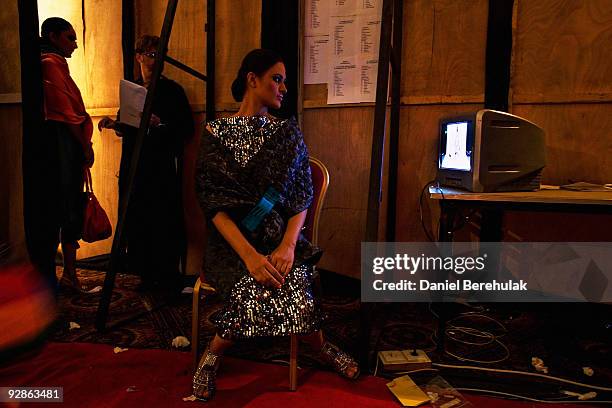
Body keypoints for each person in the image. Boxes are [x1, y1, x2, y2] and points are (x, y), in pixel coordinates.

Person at [192, 49, 359, 401]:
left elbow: (301, 198)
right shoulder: (215, 133)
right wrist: (250, 257)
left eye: (284, 81)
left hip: (279, 237)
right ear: (253, 79)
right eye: (277, 79)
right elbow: (214, 206)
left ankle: (320, 348)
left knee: (291, 284)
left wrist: (286, 246)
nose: (283, 88)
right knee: (256, 284)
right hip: (231, 245)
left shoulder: (287, 133)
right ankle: (213, 355)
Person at [98, 35, 194, 293]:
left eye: (160, 54)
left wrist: (159, 124)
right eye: (151, 54)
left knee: (162, 219)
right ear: (139, 56)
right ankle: (143, 272)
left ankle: (165, 275)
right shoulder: (132, 89)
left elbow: (185, 129)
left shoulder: (172, 91)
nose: (156, 60)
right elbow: (129, 128)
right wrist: (115, 124)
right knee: (136, 218)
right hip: (134, 165)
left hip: (159, 167)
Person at [34, 17, 94, 290]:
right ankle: (66, 275)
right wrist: (85, 146)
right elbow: (68, 114)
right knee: (67, 208)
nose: (76, 44)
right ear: (52, 36)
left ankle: (68, 274)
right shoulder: (50, 64)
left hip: (63, 144)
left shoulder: (54, 63)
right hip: (62, 145)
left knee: (68, 207)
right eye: (70, 38)